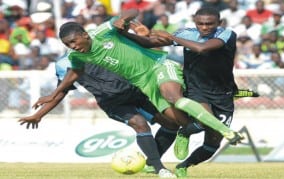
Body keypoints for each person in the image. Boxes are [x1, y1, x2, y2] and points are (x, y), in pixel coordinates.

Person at [33, 9, 244, 166]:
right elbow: (72, 77)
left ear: (84, 34)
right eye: (68, 45)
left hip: (158, 67)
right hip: (139, 86)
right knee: (178, 121)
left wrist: (126, 22)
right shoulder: (74, 57)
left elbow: (130, 13)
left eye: (73, 42)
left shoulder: (102, 32)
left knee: (174, 99)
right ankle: (178, 142)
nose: (72, 46)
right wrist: (49, 99)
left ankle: (224, 131)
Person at [123, 7, 256, 177]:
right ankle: (184, 132)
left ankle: (183, 166)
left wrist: (171, 36)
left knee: (213, 143)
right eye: (200, 23)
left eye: (210, 24)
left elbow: (202, 48)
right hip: (196, 88)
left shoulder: (227, 34)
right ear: (195, 22)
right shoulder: (186, 33)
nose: (205, 27)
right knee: (202, 122)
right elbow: (150, 43)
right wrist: (128, 33)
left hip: (223, 93)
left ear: (219, 23)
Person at [18, 54, 179, 178]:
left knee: (172, 124)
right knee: (140, 123)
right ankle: (160, 169)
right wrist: (39, 115)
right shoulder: (64, 64)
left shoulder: (101, 48)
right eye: (70, 42)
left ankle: (151, 162)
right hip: (113, 103)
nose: (75, 44)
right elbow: (62, 91)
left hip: (136, 95)